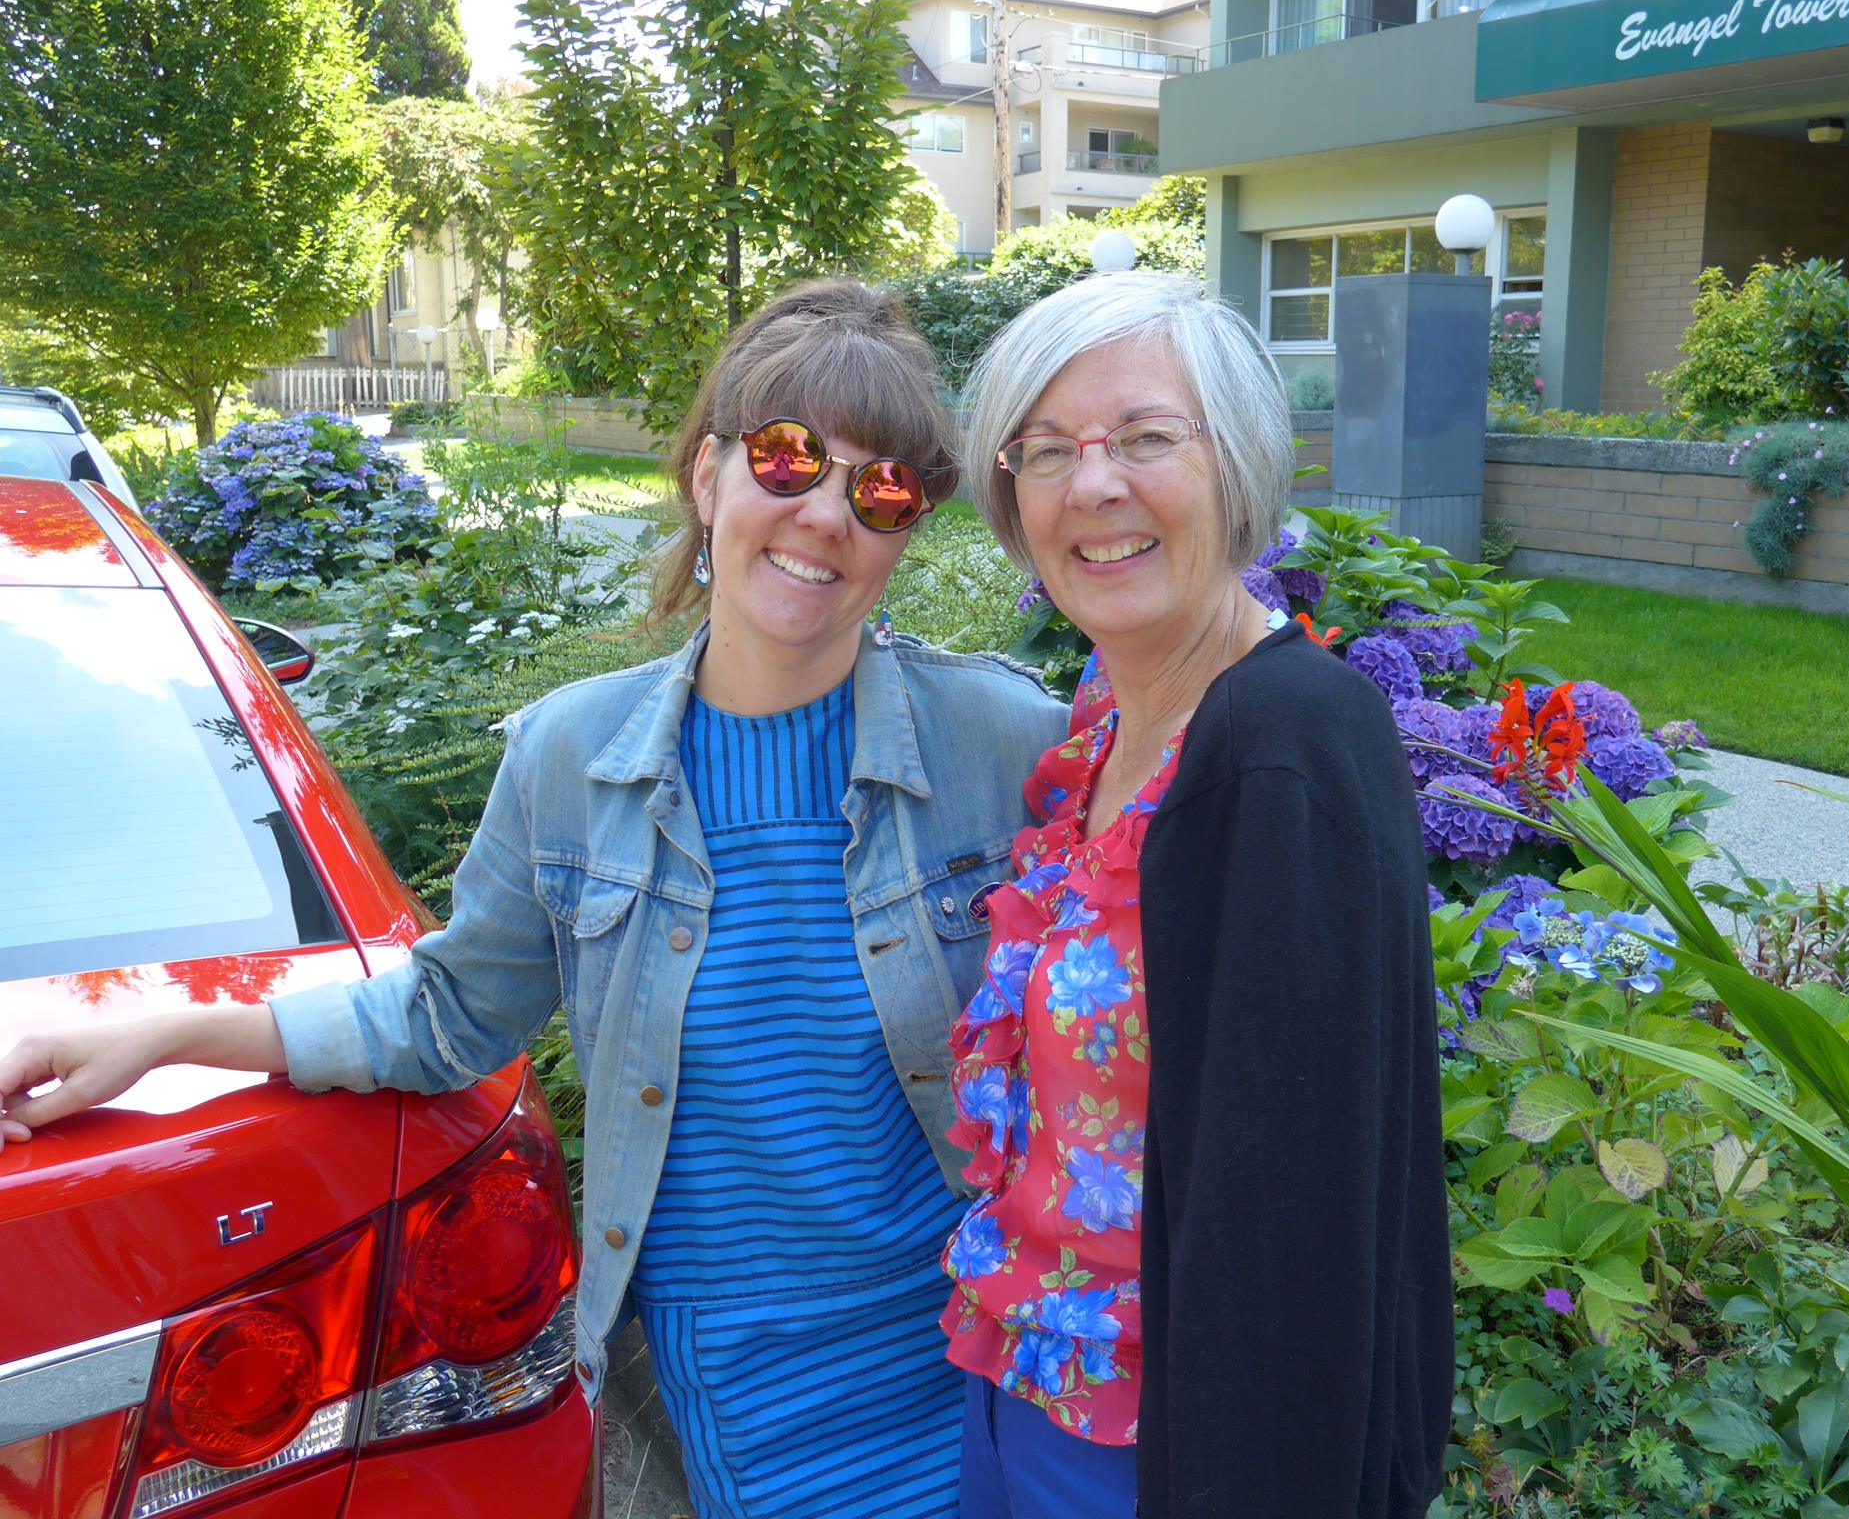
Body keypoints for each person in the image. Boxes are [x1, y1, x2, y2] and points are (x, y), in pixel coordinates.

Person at [0, 279, 1067, 1519]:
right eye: (787, 460)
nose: (825, 513)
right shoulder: (572, 761)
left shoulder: (1004, 743)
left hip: (965, 1381)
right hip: (710, 1409)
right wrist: (157, 1033)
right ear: (708, 473)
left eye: (882, 489)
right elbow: (446, 1018)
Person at [940, 271, 1453, 1519]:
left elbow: (1304, 1208)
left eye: (1147, 437)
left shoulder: (1285, 744)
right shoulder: (1109, 725)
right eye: (1045, 450)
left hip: (1171, 1442)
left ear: (1240, 467)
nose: (1093, 484)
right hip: (1020, 1385)